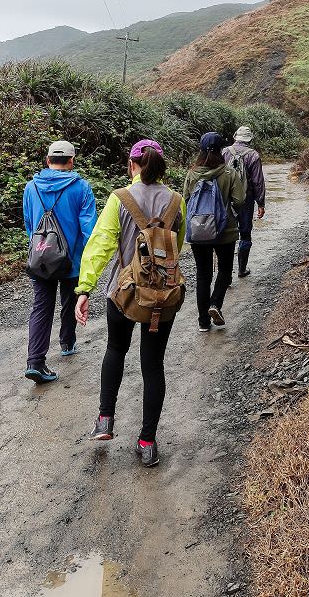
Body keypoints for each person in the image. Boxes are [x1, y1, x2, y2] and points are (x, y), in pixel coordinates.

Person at [74, 140, 186, 467]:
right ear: (162, 166)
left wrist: (85, 289)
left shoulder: (119, 199)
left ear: (132, 165)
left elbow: (100, 245)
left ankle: (105, 420)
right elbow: (178, 247)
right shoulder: (176, 202)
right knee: (153, 365)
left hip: (123, 293)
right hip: (161, 298)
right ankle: (147, 442)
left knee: (114, 349)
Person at [23, 140, 97, 384]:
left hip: (40, 258)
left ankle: (35, 361)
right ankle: (67, 341)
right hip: (70, 259)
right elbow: (89, 228)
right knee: (70, 299)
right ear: (71, 161)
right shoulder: (81, 188)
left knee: (41, 306)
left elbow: (29, 224)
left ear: (47, 160)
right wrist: (85, 257)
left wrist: (41, 250)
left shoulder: (31, 187)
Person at [183, 132, 245, 331]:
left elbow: (185, 199)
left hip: (198, 230)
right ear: (221, 150)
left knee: (203, 276)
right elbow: (240, 200)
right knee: (225, 271)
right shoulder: (228, 173)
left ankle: (203, 323)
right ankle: (215, 304)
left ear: (201, 150)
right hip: (224, 231)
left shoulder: (192, 174)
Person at [223, 125, 266, 278]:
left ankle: (225, 275)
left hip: (227, 200)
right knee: (245, 233)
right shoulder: (253, 155)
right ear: (249, 139)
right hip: (246, 200)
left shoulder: (225, 152)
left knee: (227, 235)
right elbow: (258, 182)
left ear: (236, 137)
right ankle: (241, 269)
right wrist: (260, 203)